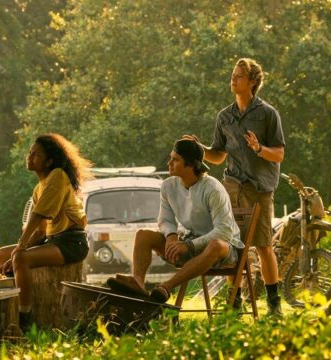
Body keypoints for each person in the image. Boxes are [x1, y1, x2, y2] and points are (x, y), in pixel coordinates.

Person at [183, 58, 285, 315]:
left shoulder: (267, 114)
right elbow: (218, 156)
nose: (233, 79)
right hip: (230, 188)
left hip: (258, 190)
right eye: (232, 75)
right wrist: (200, 149)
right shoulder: (224, 116)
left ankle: (274, 306)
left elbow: (279, 155)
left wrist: (259, 149)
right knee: (231, 244)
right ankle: (234, 304)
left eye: (239, 76)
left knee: (263, 246)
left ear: (252, 81)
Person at [106, 139, 244, 304]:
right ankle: (138, 283)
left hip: (222, 251)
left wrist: (188, 245)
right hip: (188, 243)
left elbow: (223, 232)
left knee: (216, 244)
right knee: (143, 235)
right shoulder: (168, 186)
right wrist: (171, 237)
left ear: (191, 165)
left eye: (175, 159)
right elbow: (165, 219)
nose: (169, 163)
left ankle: (165, 288)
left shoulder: (213, 188)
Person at [0, 133, 91, 329]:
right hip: (52, 241)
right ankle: (11, 303)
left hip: (72, 243)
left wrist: (20, 249)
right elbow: (40, 232)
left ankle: (23, 317)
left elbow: (39, 215)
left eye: (36, 155)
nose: (29, 157)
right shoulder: (39, 188)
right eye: (30, 153)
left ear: (49, 161)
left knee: (20, 258)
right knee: (1, 254)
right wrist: (16, 252)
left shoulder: (57, 176)